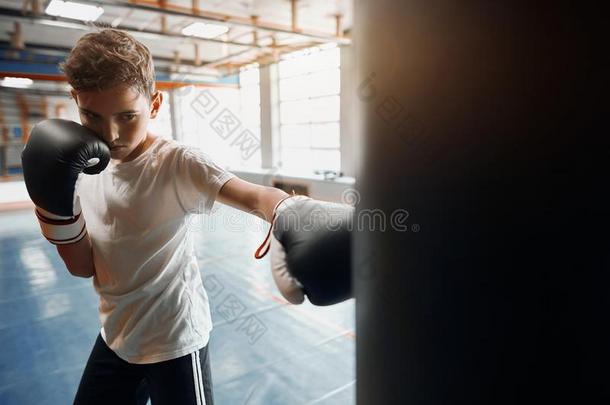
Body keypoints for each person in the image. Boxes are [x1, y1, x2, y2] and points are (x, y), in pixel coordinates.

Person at [21, 29, 352, 405]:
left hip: (174, 341)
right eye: (92, 116)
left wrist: (291, 213)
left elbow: (253, 194)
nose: (110, 134)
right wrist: (53, 210)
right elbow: (82, 267)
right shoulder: (78, 167)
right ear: (75, 102)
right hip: (116, 336)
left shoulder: (176, 163)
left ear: (155, 104)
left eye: (128, 116)